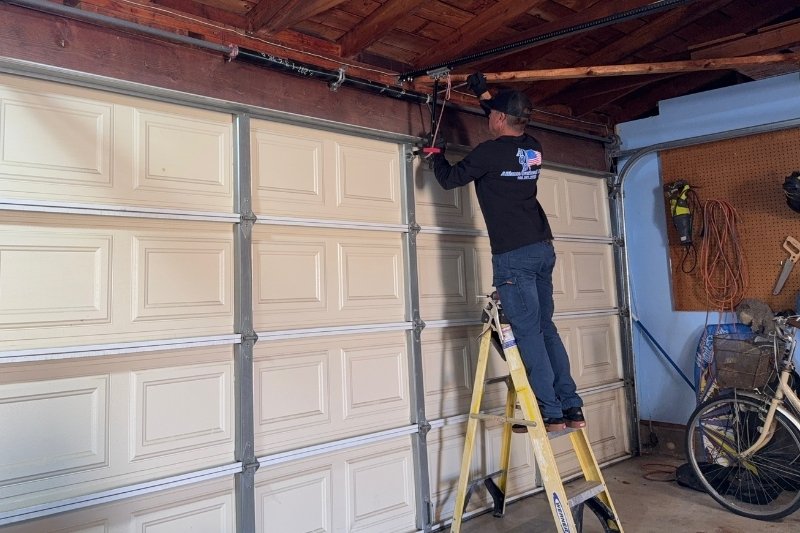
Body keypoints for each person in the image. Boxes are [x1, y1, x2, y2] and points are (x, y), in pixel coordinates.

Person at [429, 72, 585, 432]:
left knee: (528, 333)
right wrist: (483, 93)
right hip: (543, 248)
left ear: (499, 119)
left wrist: (435, 154)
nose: (488, 119)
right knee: (545, 329)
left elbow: (450, 179)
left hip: (514, 254)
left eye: (491, 115)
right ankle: (571, 408)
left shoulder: (489, 152)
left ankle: (549, 413)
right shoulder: (532, 147)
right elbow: (501, 116)